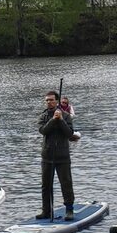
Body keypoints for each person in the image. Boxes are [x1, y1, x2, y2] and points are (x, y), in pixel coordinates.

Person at [38, 90, 76, 219]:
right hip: (47, 157)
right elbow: (43, 131)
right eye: (47, 100)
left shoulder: (66, 116)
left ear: (57, 101)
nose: (49, 102)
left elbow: (69, 133)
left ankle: (69, 210)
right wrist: (53, 120)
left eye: (51, 100)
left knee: (66, 184)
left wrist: (60, 120)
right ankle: (46, 211)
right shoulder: (43, 116)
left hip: (62, 156)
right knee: (46, 185)